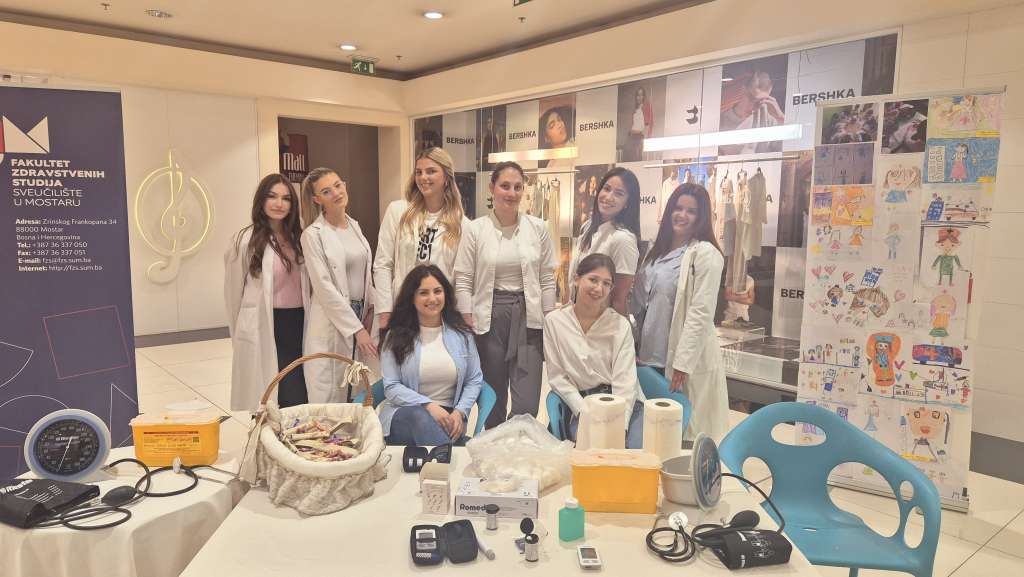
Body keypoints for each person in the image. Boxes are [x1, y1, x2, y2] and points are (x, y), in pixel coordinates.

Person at [454, 161, 557, 428]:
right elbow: (463, 278)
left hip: (529, 318)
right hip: (489, 318)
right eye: (505, 186)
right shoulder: (475, 229)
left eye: (517, 187)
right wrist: (467, 318)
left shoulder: (538, 228)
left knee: (527, 404)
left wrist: (550, 319)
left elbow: (547, 278)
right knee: (492, 400)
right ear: (492, 188)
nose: (511, 193)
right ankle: (494, 446)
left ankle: (518, 442)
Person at [630, 182, 728, 440]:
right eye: (678, 207)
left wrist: (683, 364)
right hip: (648, 357)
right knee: (651, 431)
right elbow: (640, 304)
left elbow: (701, 312)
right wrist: (632, 344)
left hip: (678, 362)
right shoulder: (655, 250)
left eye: (691, 211)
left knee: (681, 432)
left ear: (701, 217)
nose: (682, 215)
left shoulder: (706, 254)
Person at [224, 174, 308, 410]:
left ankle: (294, 434)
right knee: (265, 392)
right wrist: (238, 334)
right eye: (272, 197)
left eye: (286, 198)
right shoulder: (244, 241)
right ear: (261, 200)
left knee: (296, 392)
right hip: (264, 322)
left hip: (298, 322)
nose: (279, 204)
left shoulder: (300, 238)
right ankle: (265, 433)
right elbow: (232, 294)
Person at [545, 254, 645, 448]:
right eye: (593, 280)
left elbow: (625, 381)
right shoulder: (555, 322)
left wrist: (620, 425)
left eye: (606, 284)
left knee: (631, 452)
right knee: (592, 451)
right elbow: (558, 377)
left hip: (624, 405)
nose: (599, 288)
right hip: (584, 404)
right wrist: (584, 412)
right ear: (576, 279)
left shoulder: (619, 325)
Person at [378, 265, 483, 446]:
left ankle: (445, 454)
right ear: (412, 298)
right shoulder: (395, 336)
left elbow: (474, 379)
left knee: (437, 428)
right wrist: (427, 405)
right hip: (406, 414)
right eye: (423, 293)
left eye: (437, 291)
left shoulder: (463, 335)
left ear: (446, 294)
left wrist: (460, 412)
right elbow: (391, 386)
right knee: (419, 417)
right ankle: (449, 456)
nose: (432, 298)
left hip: (450, 417)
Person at [299, 167, 378, 403]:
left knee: (358, 390)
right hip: (331, 322)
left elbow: (365, 274)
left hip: (361, 314)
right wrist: (356, 329)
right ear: (317, 199)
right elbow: (324, 288)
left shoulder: (355, 226)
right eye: (326, 191)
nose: (336, 193)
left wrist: (371, 308)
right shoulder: (313, 235)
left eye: (337, 185)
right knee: (329, 393)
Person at [374, 147, 469, 333]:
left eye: (431, 171)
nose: (423, 177)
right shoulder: (397, 212)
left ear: (446, 177)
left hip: (439, 314)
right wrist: (385, 313)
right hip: (401, 311)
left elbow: (461, 278)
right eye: (419, 172)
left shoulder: (461, 224)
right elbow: (382, 265)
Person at [569, 167, 642, 316]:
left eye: (619, 193)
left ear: (627, 202)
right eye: (606, 189)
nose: (608, 197)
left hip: (603, 322)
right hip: (578, 317)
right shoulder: (588, 227)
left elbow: (618, 300)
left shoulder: (623, 239)